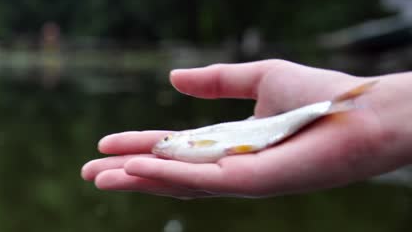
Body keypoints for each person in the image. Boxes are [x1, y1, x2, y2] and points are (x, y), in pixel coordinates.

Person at [81, 59, 412, 198]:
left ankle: (344, 106)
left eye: (167, 140)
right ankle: (353, 106)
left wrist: (384, 112)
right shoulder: (187, 146)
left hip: (268, 130)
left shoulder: (187, 144)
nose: (163, 144)